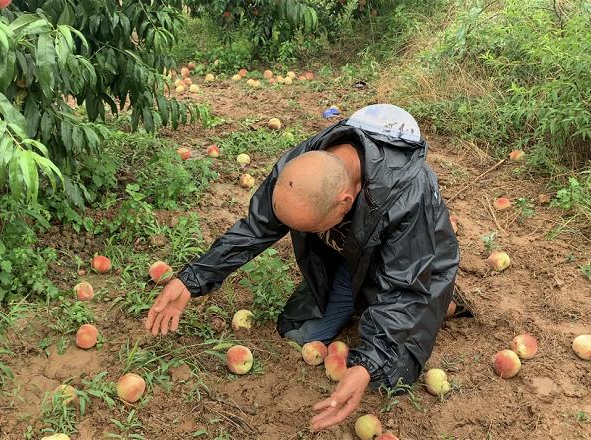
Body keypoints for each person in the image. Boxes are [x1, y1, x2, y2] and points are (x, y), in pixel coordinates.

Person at [144, 104, 460, 432]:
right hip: (352, 259)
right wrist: (192, 278)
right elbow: (257, 227)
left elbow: (402, 284)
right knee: (297, 332)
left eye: (313, 228)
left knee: (385, 375)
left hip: (416, 266)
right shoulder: (305, 162)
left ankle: (441, 300)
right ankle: (363, 298)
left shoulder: (408, 193)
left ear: (345, 204)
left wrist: (368, 363)